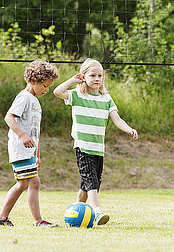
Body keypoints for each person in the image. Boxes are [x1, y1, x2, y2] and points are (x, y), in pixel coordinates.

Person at [53, 58, 138, 226]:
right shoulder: (77, 95)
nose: (97, 79)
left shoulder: (106, 99)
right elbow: (57, 91)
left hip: (98, 149)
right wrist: (72, 80)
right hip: (82, 147)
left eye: (100, 75)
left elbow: (117, 119)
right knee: (91, 180)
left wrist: (129, 129)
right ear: (83, 76)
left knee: (88, 185)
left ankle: (75, 212)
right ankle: (97, 213)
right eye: (92, 75)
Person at [0, 59, 60, 227]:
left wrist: (37, 155)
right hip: (19, 149)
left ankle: (1, 219)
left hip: (28, 151)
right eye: (44, 86)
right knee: (33, 182)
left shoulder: (35, 101)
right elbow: (9, 117)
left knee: (23, 184)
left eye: (49, 86)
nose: (47, 90)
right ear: (32, 81)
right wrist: (22, 136)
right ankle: (38, 221)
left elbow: (35, 133)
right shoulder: (24, 98)